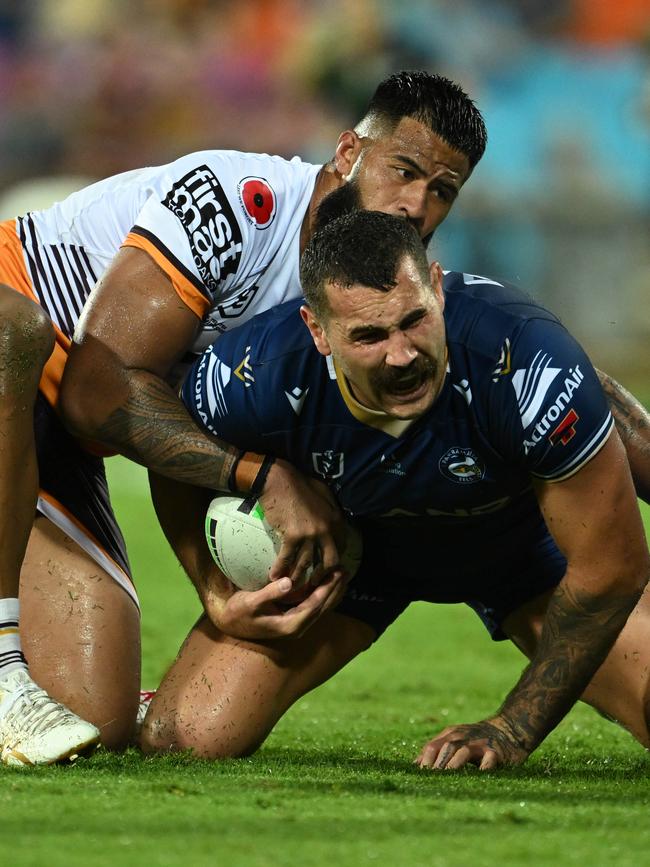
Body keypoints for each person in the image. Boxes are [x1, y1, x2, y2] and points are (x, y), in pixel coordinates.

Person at [0, 70, 646, 761]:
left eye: (442, 192)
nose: (414, 207)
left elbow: (555, 378)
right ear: (346, 153)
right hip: (26, 361)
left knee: (93, 716)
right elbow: (95, 393)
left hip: (65, 440)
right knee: (14, 333)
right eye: (403, 170)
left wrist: (222, 576)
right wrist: (259, 478)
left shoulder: (395, 287)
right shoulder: (234, 207)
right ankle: (4, 667)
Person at [140, 210, 650, 769]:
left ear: (436, 287)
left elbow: (612, 569)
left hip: (517, 548)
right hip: (348, 559)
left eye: (413, 320)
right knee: (181, 739)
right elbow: (170, 448)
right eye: (369, 335)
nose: (402, 354)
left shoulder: (525, 360)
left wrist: (513, 728)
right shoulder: (256, 371)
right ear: (318, 331)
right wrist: (214, 590)